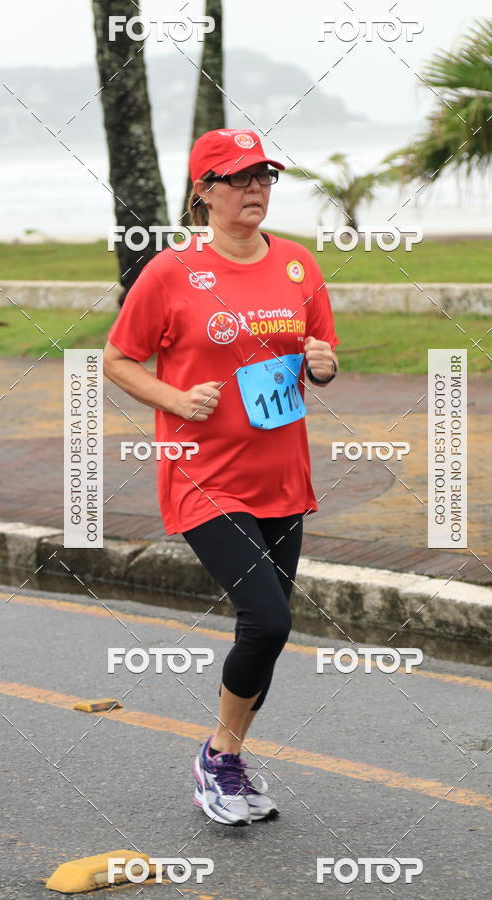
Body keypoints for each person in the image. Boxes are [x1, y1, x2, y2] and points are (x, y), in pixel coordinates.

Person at [104, 128, 339, 826]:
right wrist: (176, 400)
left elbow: (319, 353)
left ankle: (226, 758)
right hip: (204, 475)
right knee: (266, 618)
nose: (256, 189)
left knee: (268, 633)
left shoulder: (297, 265)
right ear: (202, 192)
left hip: (283, 474)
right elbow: (118, 359)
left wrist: (324, 365)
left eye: (264, 175)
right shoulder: (170, 273)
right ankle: (218, 758)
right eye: (238, 178)